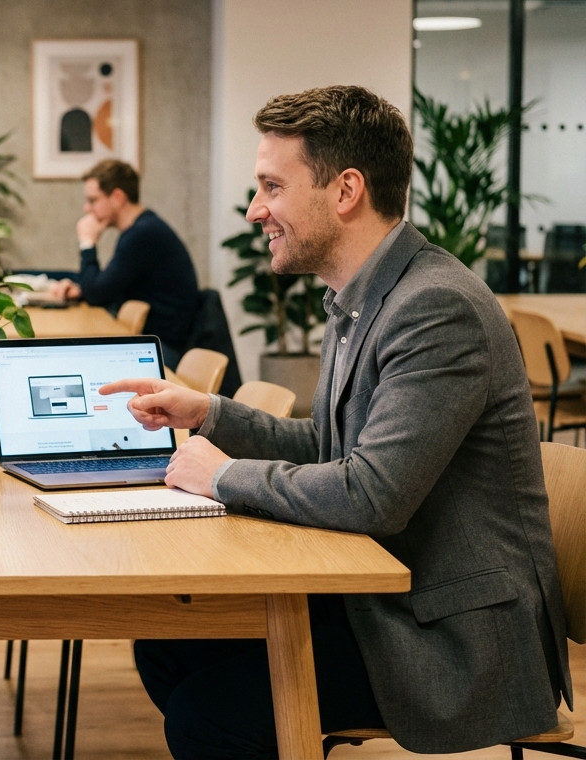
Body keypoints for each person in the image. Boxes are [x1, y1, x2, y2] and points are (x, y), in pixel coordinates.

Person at [101, 86, 570, 759]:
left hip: (454, 639)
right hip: (390, 592)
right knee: (169, 643)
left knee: (212, 712)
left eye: (271, 187)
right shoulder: (368, 297)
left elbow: (371, 492)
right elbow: (333, 446)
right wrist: (208, 412)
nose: (255, 210)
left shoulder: (436, 307)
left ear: (345, 190)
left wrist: (224, 475)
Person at [49, 159, 200, 370]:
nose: (87, 208)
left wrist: (87, 243)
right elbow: (106, 286)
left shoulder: (143, 234)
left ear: (118, 197)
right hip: (154, 342)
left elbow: (97, 293)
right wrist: (81, 289)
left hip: (162, 350)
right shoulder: (142, 229)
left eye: (93, 200)